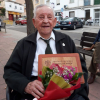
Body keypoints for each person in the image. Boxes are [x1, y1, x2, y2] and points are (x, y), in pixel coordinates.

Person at [3, 4, 89, 100]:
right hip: (35, 91)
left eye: (49, 17)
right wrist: (26, 85)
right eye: (41, 17)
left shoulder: (66, 40)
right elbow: (9, 71)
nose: (45, 21)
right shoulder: (24, 44)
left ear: (55, 21)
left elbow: (81, 67)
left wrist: (74, 87)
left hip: (66, 90)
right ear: (34, 22)